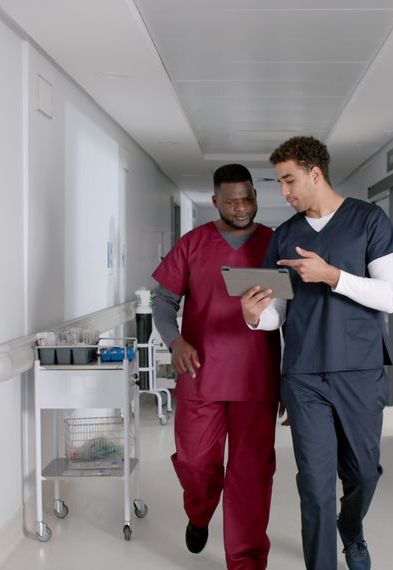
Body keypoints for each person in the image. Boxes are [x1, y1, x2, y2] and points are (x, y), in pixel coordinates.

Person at [241, 136, 393, 570]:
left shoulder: (369, 220)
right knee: (313, 484)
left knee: (363, 474)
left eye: (289, 180)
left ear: (316, 173)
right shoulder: (285, 236)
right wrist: (255, 316)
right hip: (304, 375)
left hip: (360, 371)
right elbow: (277, 310)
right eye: (279, 183)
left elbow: (390, 297)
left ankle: (351, 528)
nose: (284, 192)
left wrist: (332, 276)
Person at [150, 163, 282, 570]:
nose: (241, 207)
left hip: (256, 378)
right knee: (195, 462)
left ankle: (246, 560)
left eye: (248, 198)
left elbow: (295, 313)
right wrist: (175, 340)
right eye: (232, 201)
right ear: (215, 202)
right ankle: (200, 510)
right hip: (200, 373)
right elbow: (163, 301)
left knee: (251, 476)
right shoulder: (193, 244)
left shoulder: (275, 243)